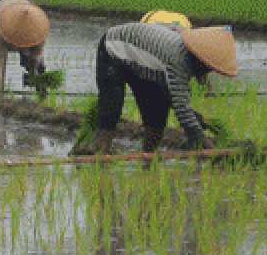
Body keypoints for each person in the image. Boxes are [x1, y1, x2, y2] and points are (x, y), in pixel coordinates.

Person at [89, 24, 236, 156]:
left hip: (145, 62)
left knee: (157, 116)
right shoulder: (179, 59)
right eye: (209, 68)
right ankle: (101, 154)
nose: (209, 72)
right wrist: (208, 147)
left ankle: (147, 161)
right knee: (111, 108)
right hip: (113, 50)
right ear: (201, 61)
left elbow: (177, 99)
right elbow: (182, 111)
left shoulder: (191, 57)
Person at [0, 0, 50, 98]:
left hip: (21, 10)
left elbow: (37, 57)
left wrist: (34, 70)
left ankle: (42, 95)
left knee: (37, 65)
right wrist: (0, 100)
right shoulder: (0, 27)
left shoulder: (38, 26)